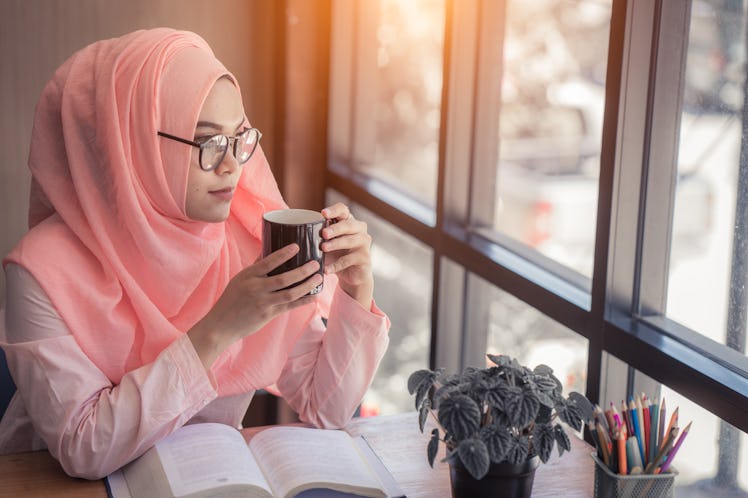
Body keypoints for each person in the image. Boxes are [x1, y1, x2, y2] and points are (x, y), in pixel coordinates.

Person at [0, 28, 390, 479]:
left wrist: (357, 289)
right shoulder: (40, 271)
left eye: (239, 138)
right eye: (207, 142)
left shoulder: (242, 238)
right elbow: (83, 448)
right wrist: (219, 329)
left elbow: (325, 408)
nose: (231, 166)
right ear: (133, 145)